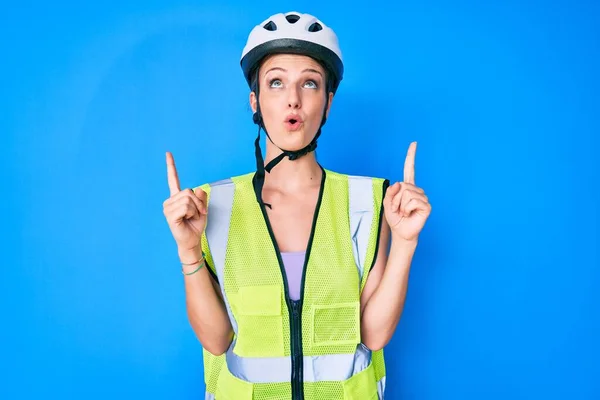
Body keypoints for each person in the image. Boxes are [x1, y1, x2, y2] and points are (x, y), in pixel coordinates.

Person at [163, 11, 431, 400]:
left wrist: (406, 243)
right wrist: (188, 252)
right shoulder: (211, 204)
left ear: (328, 102)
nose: (293, 99)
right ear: (255, 100)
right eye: (276, 83)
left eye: (310, 83)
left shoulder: (367, 201)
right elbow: (217, 340)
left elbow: (373, 334)